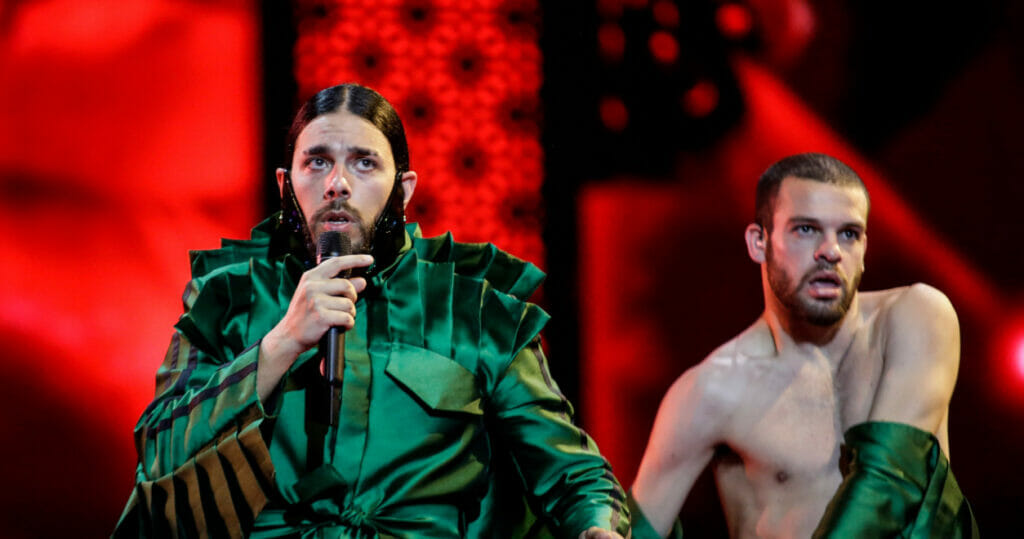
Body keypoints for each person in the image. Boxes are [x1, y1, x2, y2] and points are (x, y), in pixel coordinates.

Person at [114, 83, 629, 538]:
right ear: (283, 184)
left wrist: (596, 526)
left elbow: (570, 473)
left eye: (364, 162)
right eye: (317, 161)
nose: (337, 183)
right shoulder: (228, 300)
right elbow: (160, 450)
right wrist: (279, 345)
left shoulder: (473, 309)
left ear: (403, 189)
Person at [628, 153, 978, 538]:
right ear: (759, 243)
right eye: (806, 229)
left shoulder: (915, 317)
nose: (831, 251)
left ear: (864, 250)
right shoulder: (711, 390)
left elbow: (891, 481)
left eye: (849, 233)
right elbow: (634, 533)